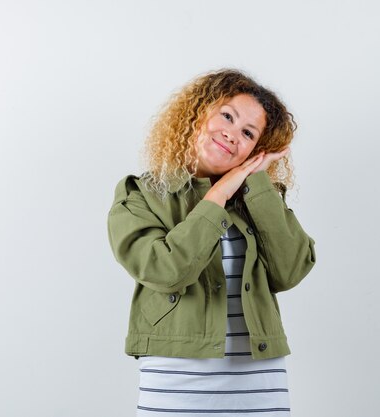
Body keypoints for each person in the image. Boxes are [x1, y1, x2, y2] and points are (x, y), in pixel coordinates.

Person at [107, 68, 317, 416]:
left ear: (256, 150)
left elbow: (291, 271)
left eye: (248, 133)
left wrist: (257, 183)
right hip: (175, 386)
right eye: (227, 116)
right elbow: (165, 271)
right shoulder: (142, 194)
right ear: (199, 111)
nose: (232, 134)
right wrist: (219, 192)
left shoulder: (259, 200)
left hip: (260, 388)